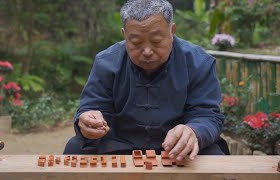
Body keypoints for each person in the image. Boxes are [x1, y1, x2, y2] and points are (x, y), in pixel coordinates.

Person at [64, 0, 229, 161]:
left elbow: (208, 115)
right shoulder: (106, 62)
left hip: (178, 148)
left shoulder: (199, 62)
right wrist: (89, 121)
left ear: (172, 31)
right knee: (75, 148)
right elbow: (92, 107)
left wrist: (194, 131)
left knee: (215, 158)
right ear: (124, 35)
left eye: (156, 41)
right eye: (136, 43)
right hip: (119, 144)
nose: (147, 51)